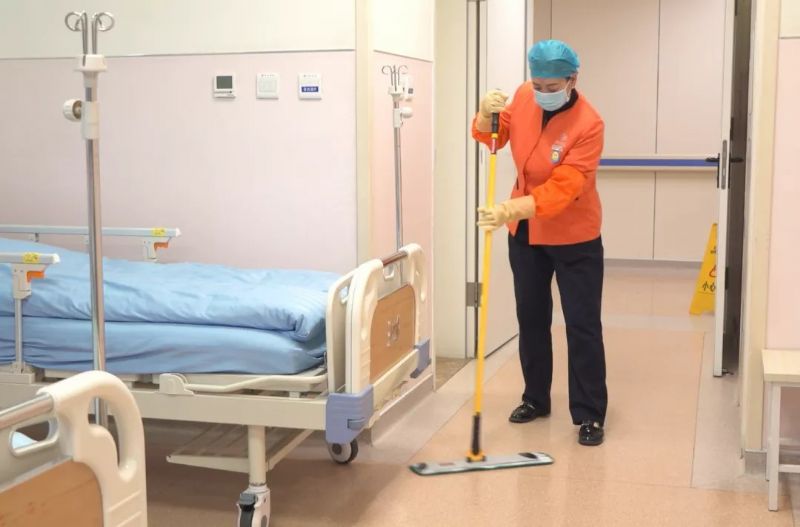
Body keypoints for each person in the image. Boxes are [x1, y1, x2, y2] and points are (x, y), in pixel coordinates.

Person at [471, 39, 608, 446]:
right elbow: (493, 138)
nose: (543, 93)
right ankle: (535, 398)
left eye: (552, 87)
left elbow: (566, 187)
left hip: (575, 236)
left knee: (582, 325)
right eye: (537, 85)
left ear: (572, 79)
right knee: (530, 318)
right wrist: (484, 114)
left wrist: (510, 209)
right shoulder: (522, 96)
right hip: (527, 236)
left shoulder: (589, 124)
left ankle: (589, 413)